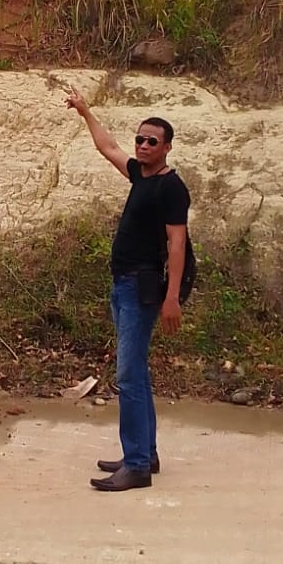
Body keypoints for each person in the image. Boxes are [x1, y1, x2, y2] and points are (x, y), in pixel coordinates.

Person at [65, 87, 191, 492]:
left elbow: (177, 244)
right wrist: (85, 111)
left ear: (167, 147)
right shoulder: (139, 174)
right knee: (136, 373)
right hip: (123, 285)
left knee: (129, 377)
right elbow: (108, 146)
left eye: (152, 141)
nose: (142, 145)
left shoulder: (172, 188)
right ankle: (145, 454)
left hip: (142, 288)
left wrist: (172, 298)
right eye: (140, 138)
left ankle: (136, 465)